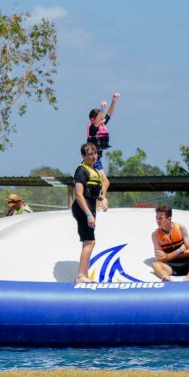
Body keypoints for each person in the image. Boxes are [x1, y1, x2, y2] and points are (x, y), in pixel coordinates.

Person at [72, 142, 103, 283]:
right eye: (90, 154)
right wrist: (88, 214)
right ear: (83, 156)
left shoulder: (94, 171)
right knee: (89, 241)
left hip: (90, 207)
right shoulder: (81, 170)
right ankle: (80, 276)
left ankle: (84, 274)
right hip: (82, 208)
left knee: (89, 242)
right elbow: (79, 195)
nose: (94, 156)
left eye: (95, 153)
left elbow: (93, 191)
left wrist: (100, 197)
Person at [151, 205, 189, 282]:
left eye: (160, 218)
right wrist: (179, 250)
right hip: (170, 267)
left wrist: (167, 256)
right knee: (155, 264)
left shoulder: (180, 227)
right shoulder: (155, 235)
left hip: (187, 264)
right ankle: (167, 278)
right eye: (156, 218)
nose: (158, 221)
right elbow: (161, 259)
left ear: (169, 218)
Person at [86, 93, 119, 210]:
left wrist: (114, 100)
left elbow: (109, 115)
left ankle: (99, 202)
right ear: (93, 119)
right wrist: (102, 108)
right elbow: (96, 123)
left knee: (104, 183)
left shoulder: (101, 124)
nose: (102, 118)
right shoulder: (92, 128)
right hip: (92, 159)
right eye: (100, 117)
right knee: (104, 182)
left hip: (97, 159)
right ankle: (99, 203)